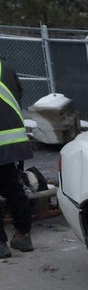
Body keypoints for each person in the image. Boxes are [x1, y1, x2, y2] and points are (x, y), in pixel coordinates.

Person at [0, 56, 34, 258]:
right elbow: (18, 95)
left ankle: (1, 245)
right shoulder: (6, 68)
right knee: (14, 189)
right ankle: (23, 235)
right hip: (12, 139)